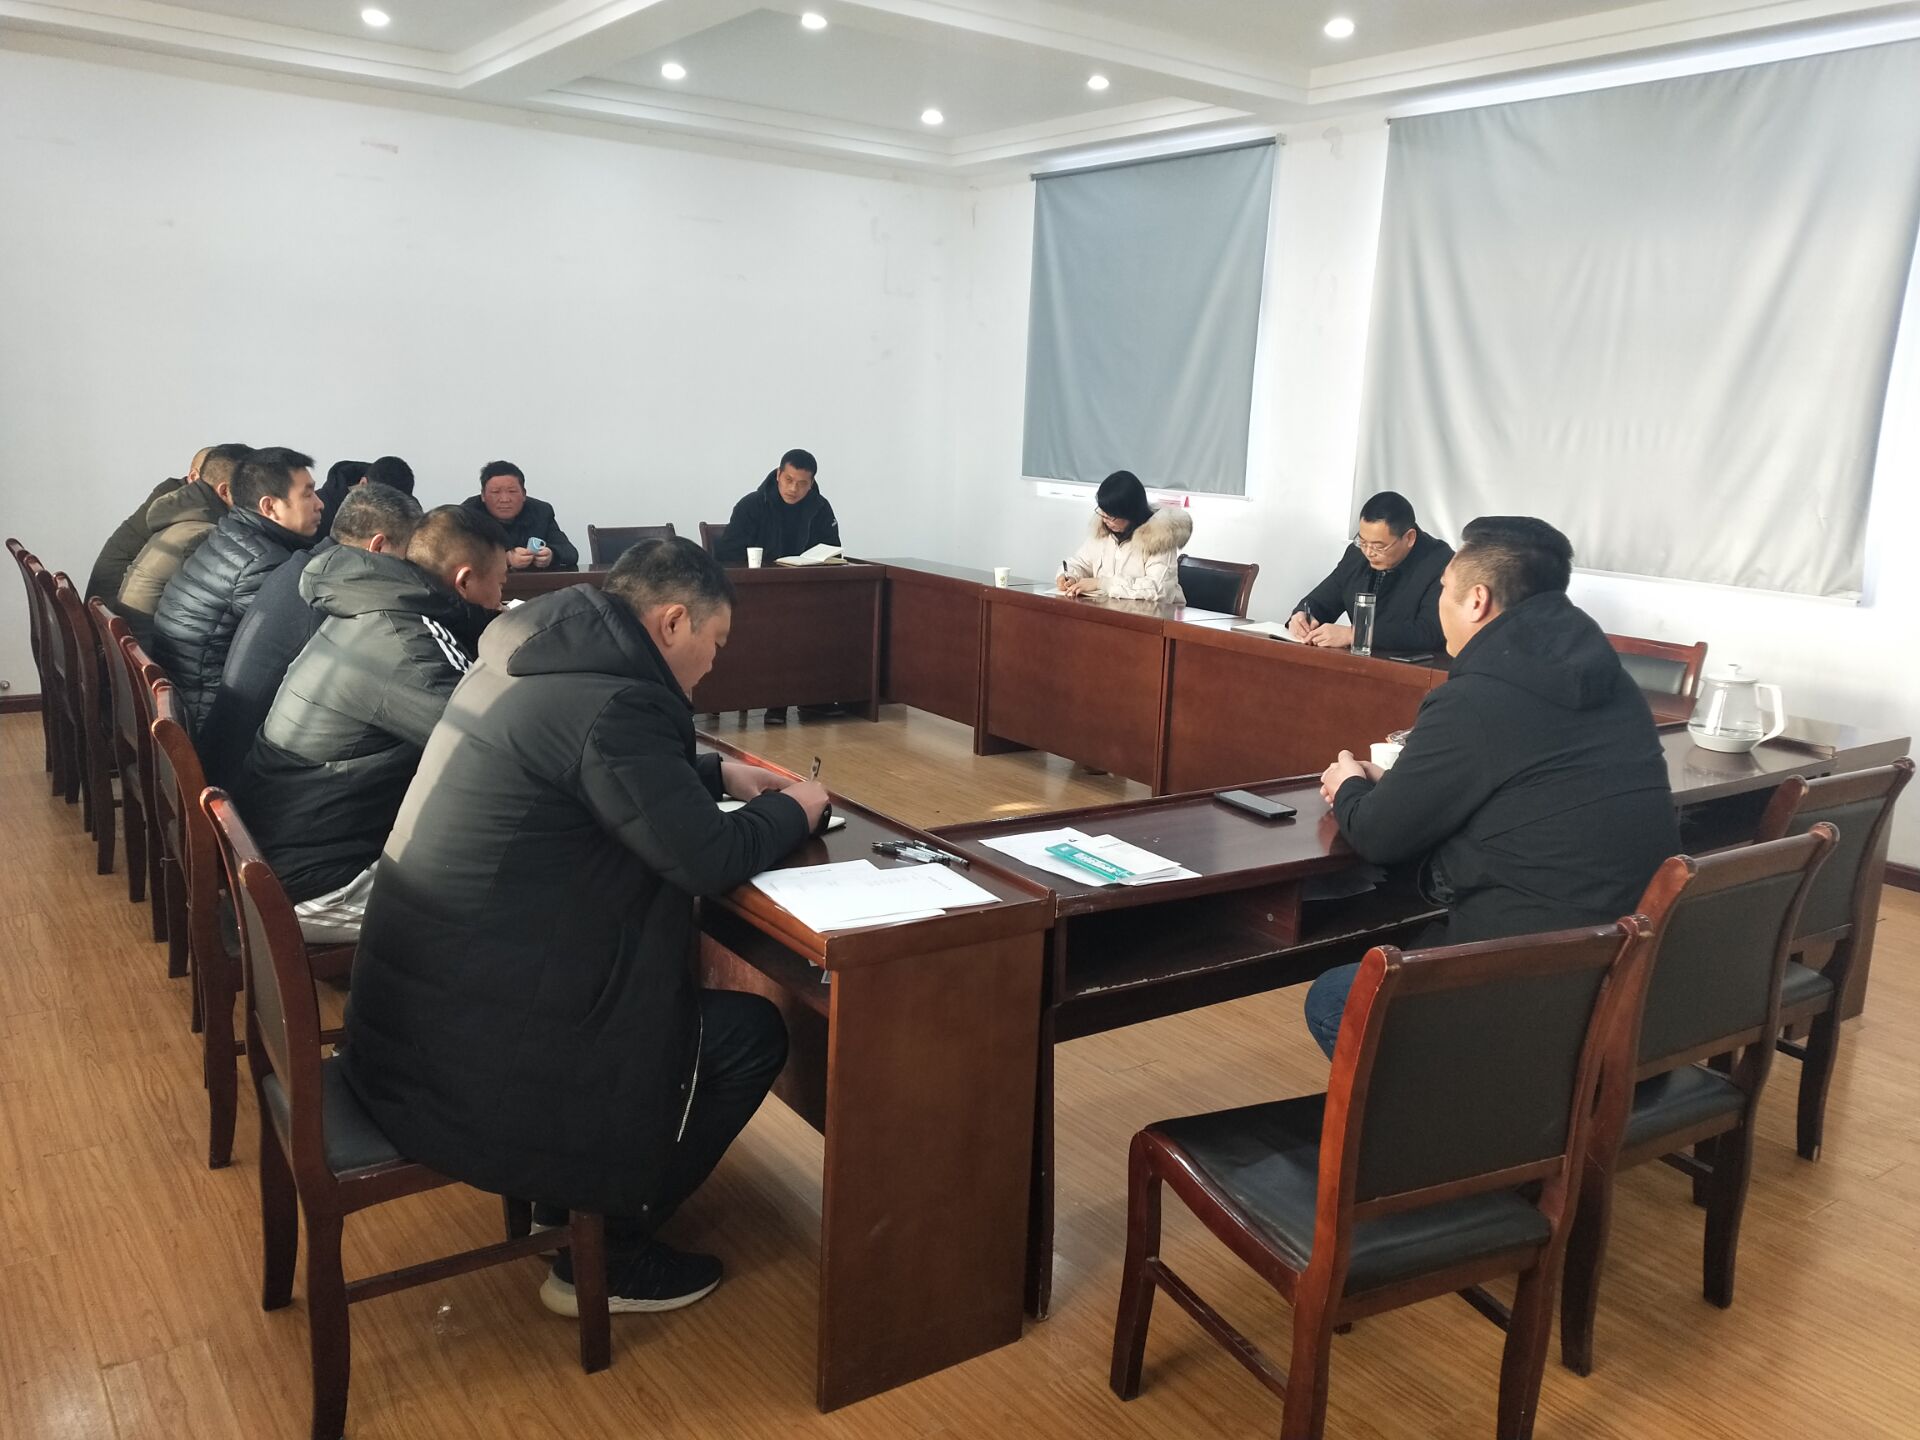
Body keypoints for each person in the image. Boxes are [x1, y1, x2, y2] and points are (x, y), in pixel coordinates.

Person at [339, 538, 829, 1314]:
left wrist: (713, 772)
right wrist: (794, 807)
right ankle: (606, 1253)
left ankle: (567, 1201)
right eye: (715, 641)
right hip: (476, 1059)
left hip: (413, 1024)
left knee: (668, 986)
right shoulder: (620, 702)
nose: (714, 664)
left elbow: (584, 769)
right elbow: (706, 858)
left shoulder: (530, 657)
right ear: (673, 622)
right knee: (749, 1035)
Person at [1300, 516, 1680, 1057]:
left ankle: (1474, 1106)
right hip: (1629, 970)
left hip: (1528, 975)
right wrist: (1403, 783)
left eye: (1443, 590)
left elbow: (1379, 835)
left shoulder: (1476, 697)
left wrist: (1348, 786)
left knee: (1337, 997)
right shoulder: (1613, 680)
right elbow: (1528, 786)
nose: (1439, 603)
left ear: (1477, 600)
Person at [235, 504, 508, 944]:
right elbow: (493, 750)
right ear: (463, 581)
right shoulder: (406, 641)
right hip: (320, 887)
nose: (501, 598)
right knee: (525, 886)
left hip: (288, 853)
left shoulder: (369, 608)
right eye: (501, 583)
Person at [198, 482, 425, 786]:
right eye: (410, 556)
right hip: (247, 783)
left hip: (225, 760)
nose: (414, 569)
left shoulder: (303, 569)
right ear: (379, 547)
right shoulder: (330, 601)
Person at [152, 447, 324, 732]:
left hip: (183, 701)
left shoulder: (231, 534)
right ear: (269, 507)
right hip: (209, 723)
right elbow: (293, 650)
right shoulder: (263, 564)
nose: (320, 504)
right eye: (307, 494)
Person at [115, 442, 251, 648]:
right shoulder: (204, 533)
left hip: (134, 645)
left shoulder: (184, 517)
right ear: (225, 491)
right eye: (249, 488)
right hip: (151, 651)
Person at [1287, 491, 1452, 653]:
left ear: (1409, 538)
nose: (1368, 552)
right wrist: (1302, 616)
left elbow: (1428, 631)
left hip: (1416, 667)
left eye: (1379, 546)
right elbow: (1323, 600)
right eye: (1362, 542)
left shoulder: (1441, 563)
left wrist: (1356, 635)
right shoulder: (1356, 553)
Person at [85, 447, 206, 603]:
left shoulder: (172, 497)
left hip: (105, 602)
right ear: (194, 476)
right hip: (114, 599)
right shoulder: (179, 505)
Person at [1056, 470, 1193, 604]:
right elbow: (1081, 562)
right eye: (1102, 513)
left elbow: (1159, 589)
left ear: (1130, 513)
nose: (1104, 520)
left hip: (1154, 615)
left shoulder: (1160, 538)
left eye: (1111, 516)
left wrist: (1102, 584)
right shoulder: (1103, 532)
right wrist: (1070, 576)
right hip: (1109, 611)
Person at [714, 448, 840, 565]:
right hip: (760, 578)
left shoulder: (820, 508)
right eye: (788, 480)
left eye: (802, 483)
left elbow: (833, 555)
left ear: (811, 483)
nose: (793, 488)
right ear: (778, 475)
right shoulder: (751, 506)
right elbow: (728, 555)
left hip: (808, 579)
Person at [464, 461, 578, 571]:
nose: (505, 499)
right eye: (496, 492)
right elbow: (459, 558)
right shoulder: (467, 514)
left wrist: (551, 555)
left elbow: (570, 552)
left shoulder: (541, 512)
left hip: (532, 582)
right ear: (483, 496)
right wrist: (505, 559)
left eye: (512, 491)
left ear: (524, 494)